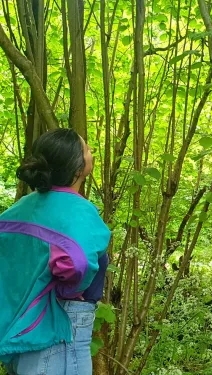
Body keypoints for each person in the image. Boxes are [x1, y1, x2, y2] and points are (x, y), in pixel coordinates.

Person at [0, 129, 111, 375]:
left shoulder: (22, 207)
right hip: (62, 326)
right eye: (87, 149)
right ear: (76, 167)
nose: (91, 151)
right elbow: (78, 263)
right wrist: (67, 290)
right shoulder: (79, 210)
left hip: (23, 323)